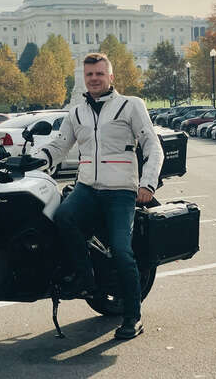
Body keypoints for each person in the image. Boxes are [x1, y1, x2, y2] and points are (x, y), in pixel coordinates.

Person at [33, 52, 163, 340]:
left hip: (120, 192)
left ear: (111, 77)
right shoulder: (77, 111)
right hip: (87, 188)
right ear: (84, 77)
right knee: (62, 218)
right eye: (89, 74)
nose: (94, 79)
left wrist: (148, 183)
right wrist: (31, 161)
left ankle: (133, 316)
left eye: (99, 74)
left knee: (120, 249)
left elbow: (152, 145)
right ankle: (86, 278)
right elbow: (59, 146)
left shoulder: (130, 106)